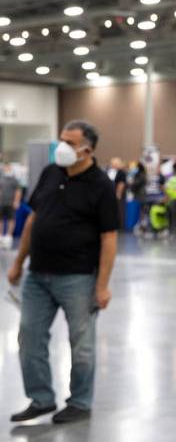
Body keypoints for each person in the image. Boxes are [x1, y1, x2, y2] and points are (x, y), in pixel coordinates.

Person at [6, 121, 120, 424]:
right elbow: (34, 219)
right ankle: (41, 398)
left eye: (70, 142)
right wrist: (18, 262)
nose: (63, 147)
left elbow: (109, 238)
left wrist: (103, 285)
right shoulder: (50, 172)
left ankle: (80, 402)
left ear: (88, 149)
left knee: (81, 346)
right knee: (29, 337)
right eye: (61, 141)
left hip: (78, 278)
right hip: (37, 275)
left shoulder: (101, 185)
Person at [1, 162, 23, 249]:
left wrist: (16, 201)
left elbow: (18, 191)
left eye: (8, 168)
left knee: (11, 219)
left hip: (11, 203)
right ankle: (1, 236)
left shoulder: (14, 180)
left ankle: (9, 237)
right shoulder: (1, 179)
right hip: (2, 203)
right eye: (5, 168)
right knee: (1, 220)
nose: (6, 170)